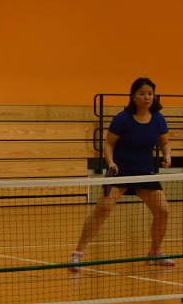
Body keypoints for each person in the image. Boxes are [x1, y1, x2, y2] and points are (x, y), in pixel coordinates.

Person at [71, 77, 173, 270]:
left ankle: (155, 253)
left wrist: (167, 155)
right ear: (133, 97)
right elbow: (108, 143)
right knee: (102, 210)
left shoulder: (158, 118)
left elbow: (165, 142)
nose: (147, 97)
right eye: (142, 94)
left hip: (145, 172)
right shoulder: (122, 118)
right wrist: (111, 163)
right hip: (121, 171)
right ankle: (77, 253)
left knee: (163, 212)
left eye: (150, 93)